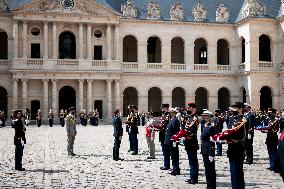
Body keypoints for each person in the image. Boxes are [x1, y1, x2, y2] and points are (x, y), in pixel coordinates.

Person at [227, 102, 246, 189]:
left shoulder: (243, 120)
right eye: (233, 108)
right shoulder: (231, 119)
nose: (233, 109)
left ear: (241, 109)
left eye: (235, 108)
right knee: (233, 171)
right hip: (231, 148)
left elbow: (243, 136)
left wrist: (230, 139)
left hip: (238, 148)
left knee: (237, 171)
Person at [184, 103, 199, 184]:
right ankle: (191, 176)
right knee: (190, 160)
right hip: (188, 142)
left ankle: (194, 178)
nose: (187, 109)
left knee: (193, 161)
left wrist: (185, 136)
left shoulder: (194, 119)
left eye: (189, 107)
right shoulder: (189, 118)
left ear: (193, 108)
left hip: (192, 142)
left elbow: (193, 132)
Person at [201, 110, 216, 189]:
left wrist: (211, 153)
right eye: (203, 115)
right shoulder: (204, 125)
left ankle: (212, 186)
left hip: (209, 150)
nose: (204, 117)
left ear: (209, 117)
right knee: (207, 169)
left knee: (210, 170)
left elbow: (212, 142)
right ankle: (208, 184)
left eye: (206, 115)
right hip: (204, 149)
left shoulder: (211, 127)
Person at [164, 108, 180, 176]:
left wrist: (175, 140)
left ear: (174, 113)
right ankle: (174, 169)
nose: (169, 113)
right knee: (172, 155)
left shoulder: (175, 120)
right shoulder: (172, 119)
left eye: (171, 112)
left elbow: (176, 131)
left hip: (173, 140)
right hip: (169, 140)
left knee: (174, 156)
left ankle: (176, 169)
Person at [159, 104, 171, 171]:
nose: (161, 108)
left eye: (162, 107)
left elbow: (166, 125)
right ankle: (166, 164)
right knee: (164, 150)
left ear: (165, 108)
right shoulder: (164, 115)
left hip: (165, 134)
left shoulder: (168, 115)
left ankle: (167, 165)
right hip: (162, 134)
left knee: (166, 150)